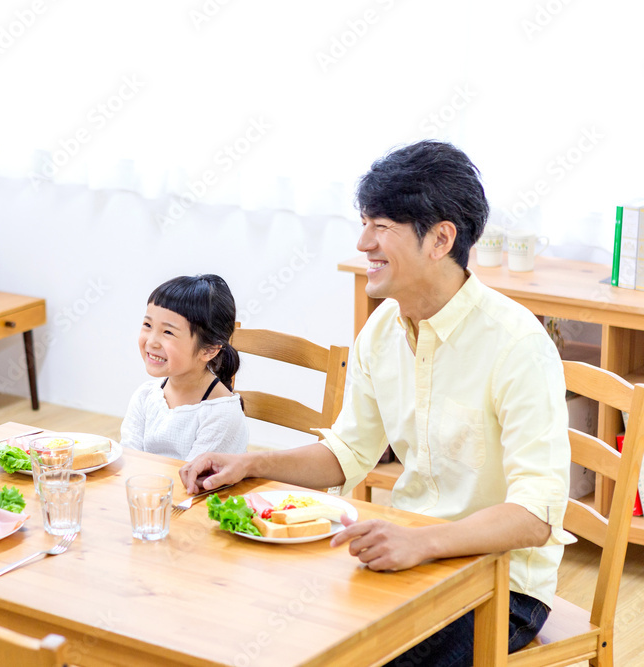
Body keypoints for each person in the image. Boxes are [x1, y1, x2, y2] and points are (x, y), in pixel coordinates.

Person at [180, 141, 573, 666]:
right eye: (364, 222)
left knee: (352, 658)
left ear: (440, 239)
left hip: (502, 584)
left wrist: (423, 543)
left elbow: (534, 516)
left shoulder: (516, 346)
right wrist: (253, 464)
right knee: (260, 624)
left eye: (381, 226)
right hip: (407, 555)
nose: (363, 242)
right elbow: (345, 455)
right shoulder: (383, 328)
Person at [120, 274, 249, 461]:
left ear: (209, 349)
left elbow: (193, 483)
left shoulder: (221, 414)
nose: (152, 341)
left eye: (168, 332)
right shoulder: (146, 396)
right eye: (148, 324)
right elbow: (129, 460)